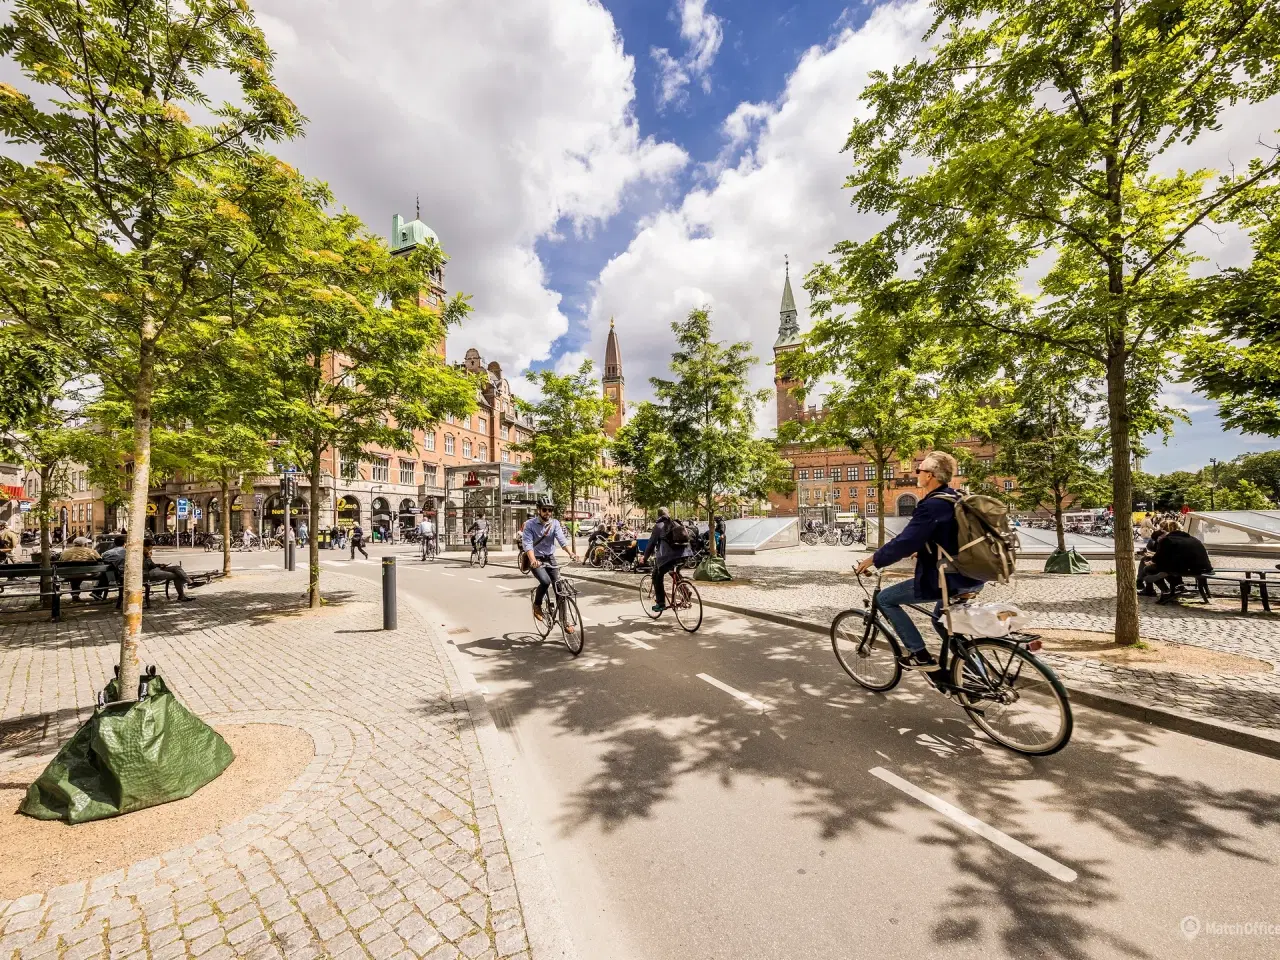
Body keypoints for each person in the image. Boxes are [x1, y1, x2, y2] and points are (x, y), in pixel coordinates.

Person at [854, 451, 985, 670]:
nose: (916, 474)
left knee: (886, 599)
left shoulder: (932, 505)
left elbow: (905, 541)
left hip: (950, 579)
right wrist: (925, 550)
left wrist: (874, 559)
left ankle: (920, 655)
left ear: (931, 475)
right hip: (975, 574)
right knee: (942, 622)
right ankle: (976, 677)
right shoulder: (956, 498)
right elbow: (950, 538)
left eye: (919, 470)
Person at [522, 502, 578, 626]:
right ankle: (537, 605)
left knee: (560, 588)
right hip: (536, 558)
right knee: (545, 581)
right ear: (539, 510)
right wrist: (533, 560)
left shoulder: (555, 524)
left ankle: (564, 621)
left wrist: (571, 553)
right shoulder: (530, 525)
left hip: (550, 557)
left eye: (550, 510)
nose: (548, 512)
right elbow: (527, 544)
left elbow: (562, 540)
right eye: (545, 509)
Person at [1144, 520, 1212, 604]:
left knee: (1149, 569)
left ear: (1165, 531)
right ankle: (1176, 586)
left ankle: (1166, 591)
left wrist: (1151, 562)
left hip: (1187, 569)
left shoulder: (1167, 540)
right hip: (1204, 567)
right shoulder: (1193, 538)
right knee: (1166, 568)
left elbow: (1159, 558)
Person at [640, 507, 692, 613]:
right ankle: (685, 591)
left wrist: (644, 558)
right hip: (685, 555)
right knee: (674, 572)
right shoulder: (676, 523)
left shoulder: (658, 526)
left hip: (668, 557)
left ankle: (660, 603)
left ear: (658, 516)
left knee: (656, 576)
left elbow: (651, 545)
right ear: (668, 514)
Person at [58, 537, 104, 601]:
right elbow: (100, 560)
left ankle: (75, 594)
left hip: (69, 574)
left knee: (74, 573)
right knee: (103, 574)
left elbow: (60, 561)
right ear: (85, 544)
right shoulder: (91, 551)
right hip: (87, 574)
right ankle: (97, 592)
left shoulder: (65, 552)